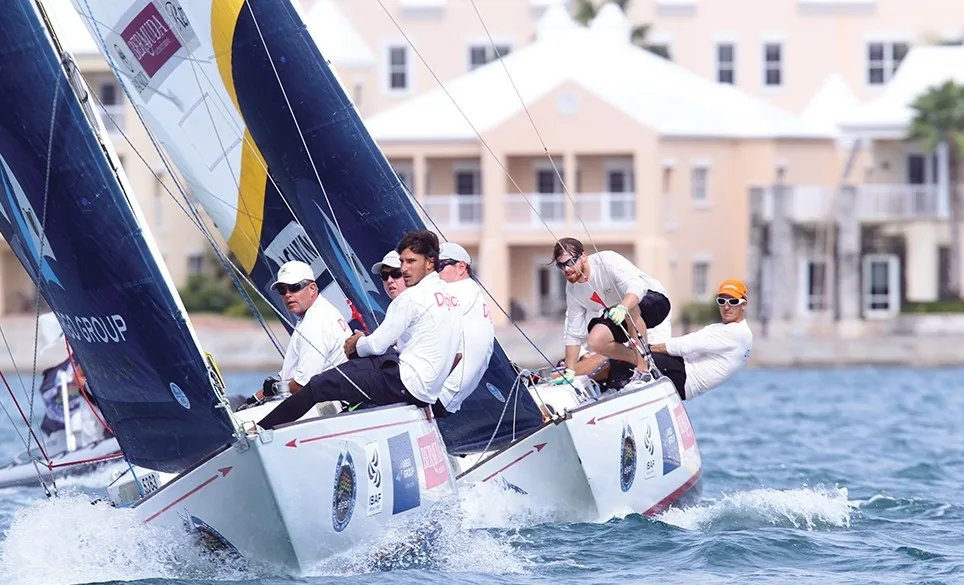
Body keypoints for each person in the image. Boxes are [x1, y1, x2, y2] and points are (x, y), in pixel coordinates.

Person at [257, 231, 462, 429]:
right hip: (421, 389)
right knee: (376, 362)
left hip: (403, 383)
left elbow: (376, 345)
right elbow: (456, 355)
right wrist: (427, 394)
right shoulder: (451, 297)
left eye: (411, 262)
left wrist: (356, 343)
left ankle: (260, 431)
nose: (405, 268)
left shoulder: (412, 297)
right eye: (403, 262)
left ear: (430, 262)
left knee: (318, 385)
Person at [554, 237, 672, 381]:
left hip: (655, 301)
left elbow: (637, 286)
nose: (567, 269)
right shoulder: (573, 290)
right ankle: (641, 359)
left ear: (583, 256)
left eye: (570, 262)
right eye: (561, 266)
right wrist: (570, 371)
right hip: (621, 312)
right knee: (595, 340)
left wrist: (623, 307)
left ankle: (644, 371)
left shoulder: (607, 260)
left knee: (629, 310)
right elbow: (574, 332)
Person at [241, 260, 352, 407]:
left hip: (326, 407)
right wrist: (256, 397)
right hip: (323, 400)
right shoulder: (321, 310)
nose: (288, 295)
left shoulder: (315, 323)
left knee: (246, 426)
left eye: (294, 287)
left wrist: (274, 389)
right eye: (282, 290)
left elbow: (303, 384)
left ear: (312, 288)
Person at [650, 279, 753, 400]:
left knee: (639, 355)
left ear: (744, 305)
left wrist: (648, 348)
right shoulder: (724, 328)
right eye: (721, 301)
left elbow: (685, 346)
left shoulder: (737, 333)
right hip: (682, 369)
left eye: (733, 301)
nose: (726, 306)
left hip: (684, 379)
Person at [435, 242, 494, 415]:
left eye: (439, 266)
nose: (433, 274)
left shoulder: (455, 291)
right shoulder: (472, 291)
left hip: (441, 394)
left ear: (461, 267)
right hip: (453, 394)